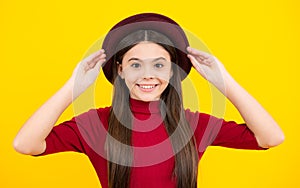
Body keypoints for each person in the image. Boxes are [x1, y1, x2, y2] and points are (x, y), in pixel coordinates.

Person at [13, 13, 284, 188]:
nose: (147, 75)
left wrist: (225, 82)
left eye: (158, 65)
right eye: (135, 65)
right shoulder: (96, 124)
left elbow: (271, 138)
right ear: (120, 69)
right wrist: (72, 87)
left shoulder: (192, 124)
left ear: (171, 70)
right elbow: (25, 144)